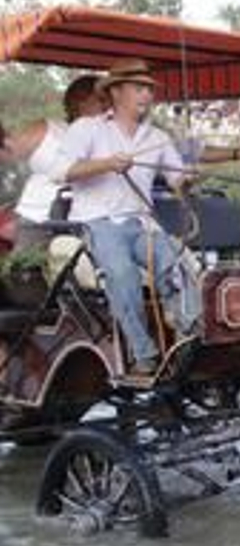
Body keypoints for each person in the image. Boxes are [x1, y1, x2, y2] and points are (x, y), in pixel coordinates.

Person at [58, 59, 198, 378]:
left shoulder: (157, 137)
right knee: (123, 275)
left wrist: (188, 179)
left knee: (178, 266)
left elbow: (176, 180)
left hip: (141, 223)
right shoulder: (88, 129)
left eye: (149, 88)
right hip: (98, 222)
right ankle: (143, 355)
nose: (146, 94)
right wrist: (106, 163)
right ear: (117, 92)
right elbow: (62, 171)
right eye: (139, 88)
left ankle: (188, 339)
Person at [0, 75, 107, 248]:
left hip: (87, 223)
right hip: (38, 220)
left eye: (109, 101)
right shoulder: (48, 129)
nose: (107, 107)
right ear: (80, 102)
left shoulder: (110, 138)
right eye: (101, 100)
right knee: (29, 271)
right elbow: (8, 153)